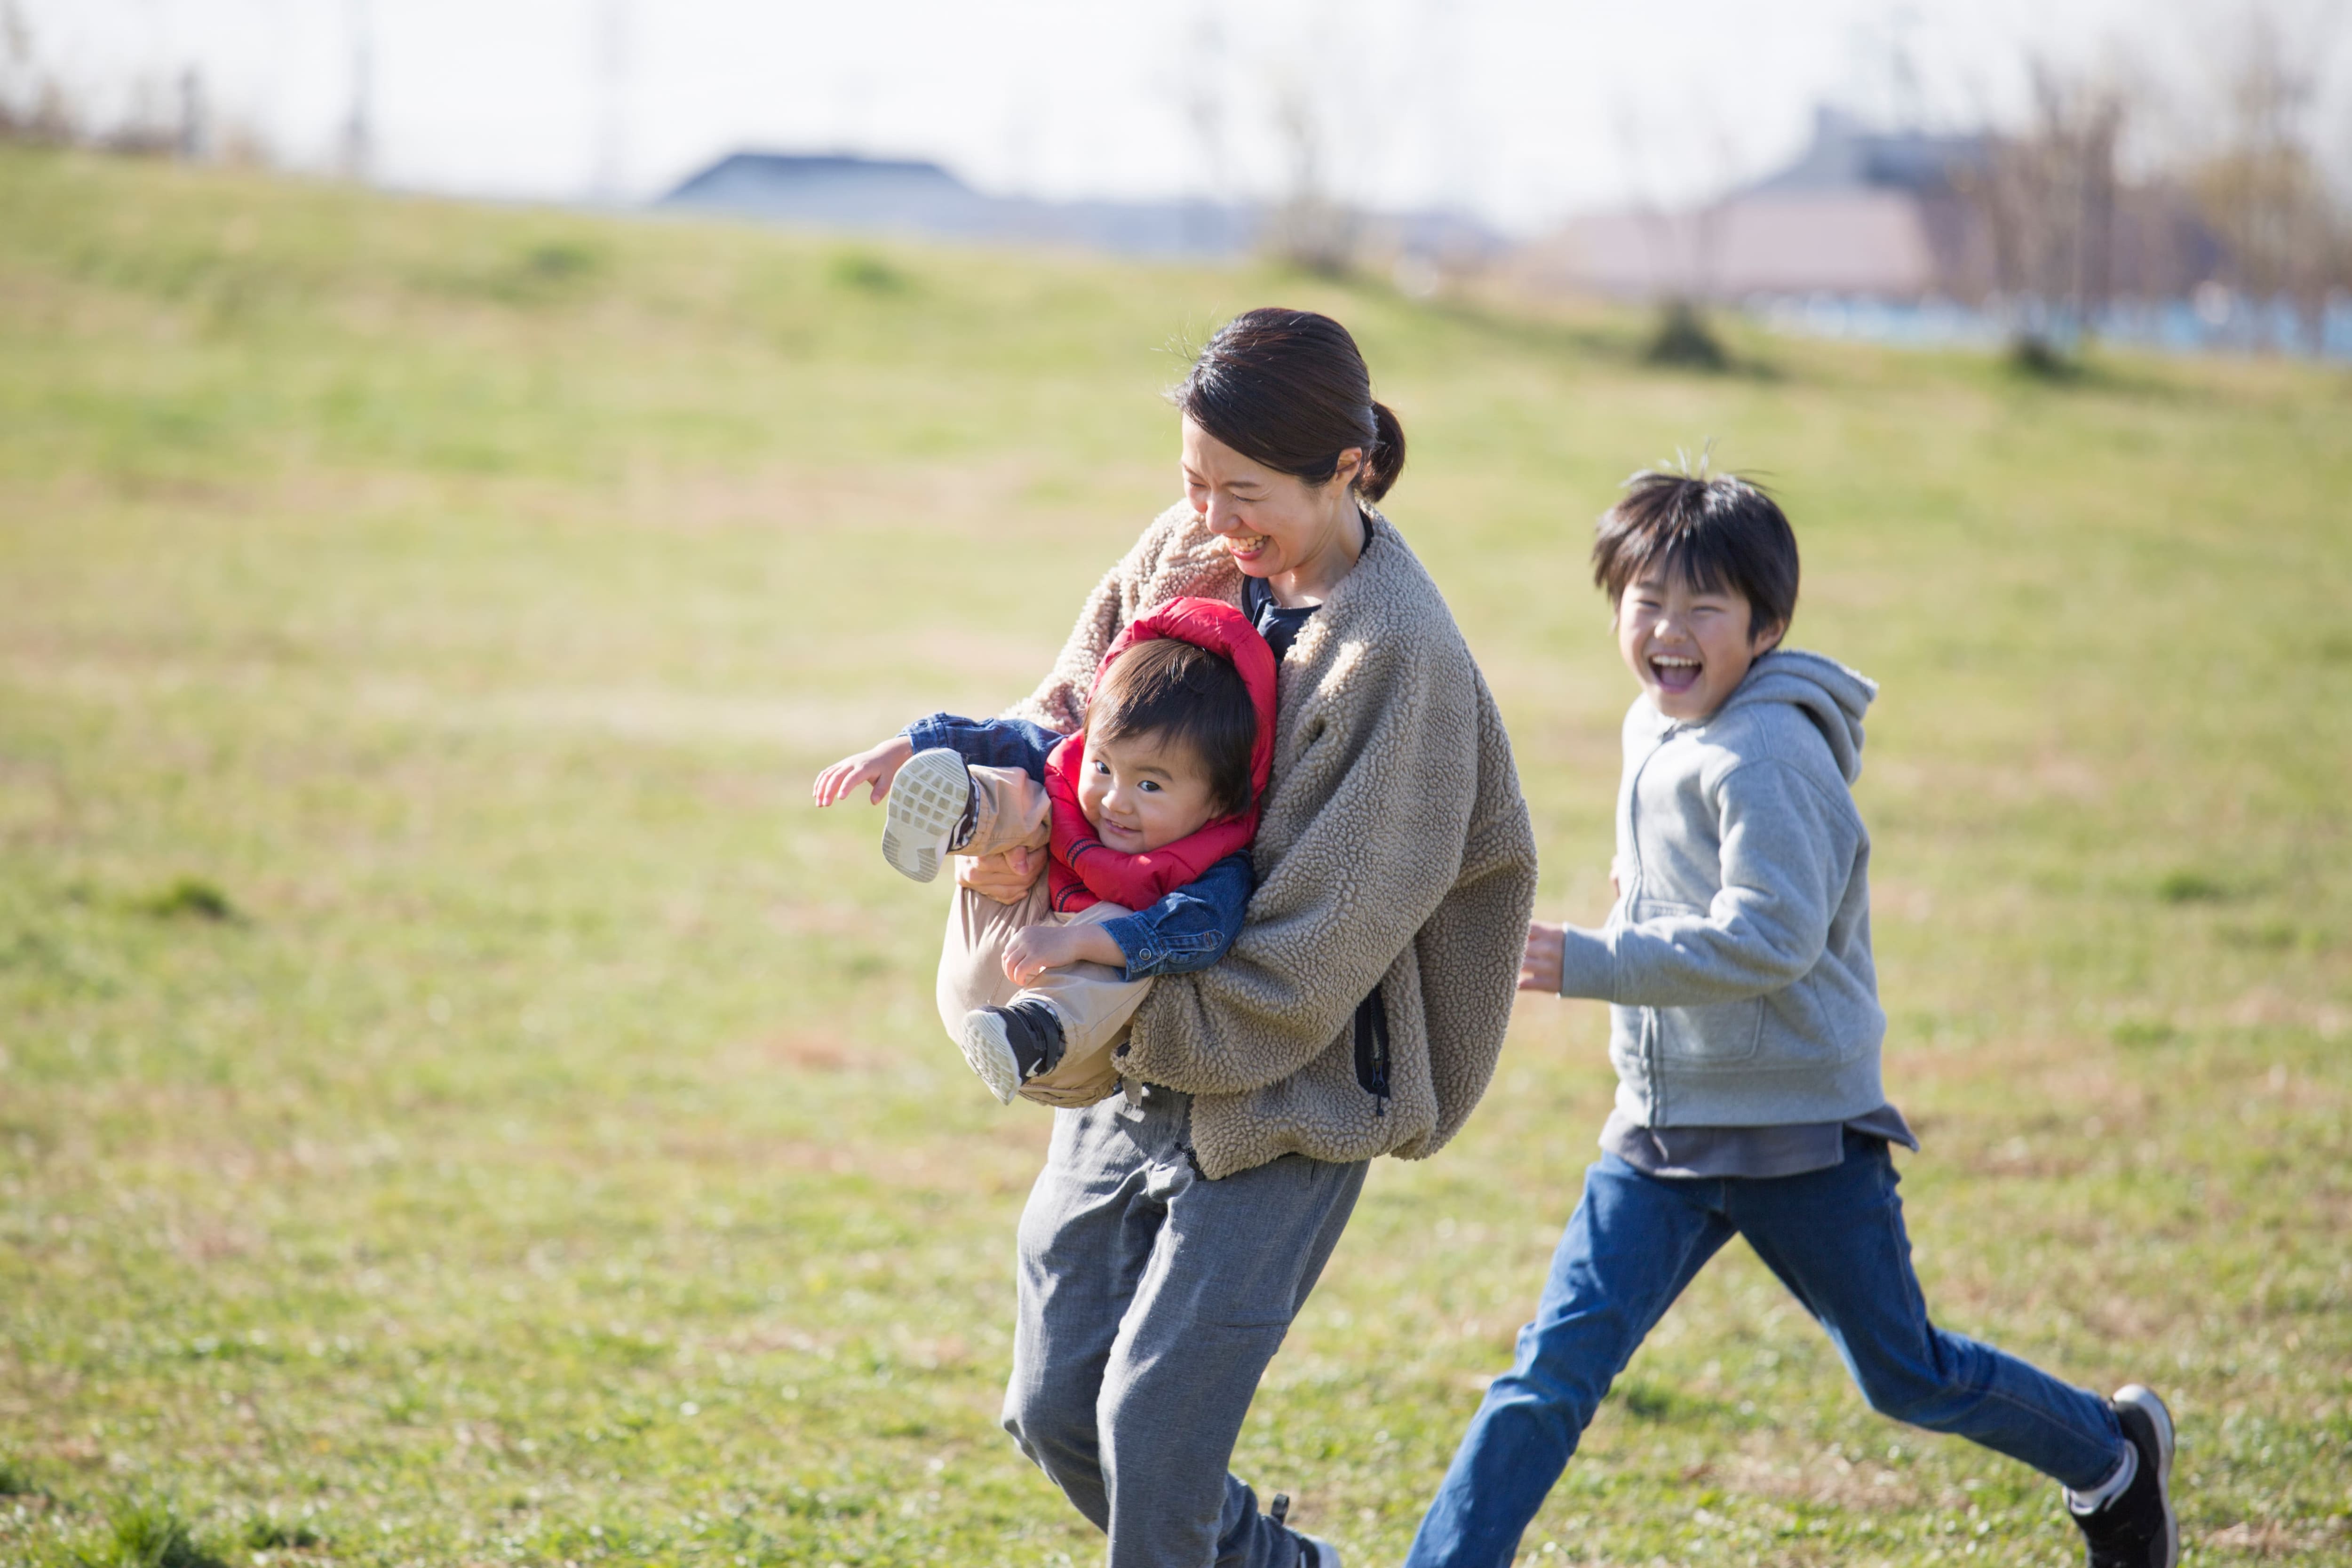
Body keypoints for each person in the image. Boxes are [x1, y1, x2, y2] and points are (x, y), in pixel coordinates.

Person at [1402, 468, 2178, 1568]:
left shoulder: (1770, 753)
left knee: (1906, 1373)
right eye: (1645, 599)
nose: (1667, 630)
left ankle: (2111, 1455)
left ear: (1765, 627)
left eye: (1702, 607)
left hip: (1800, 1136)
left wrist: (1590, 958)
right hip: (1661, 1138)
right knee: (1549, 1375)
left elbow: (1772, 937)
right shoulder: (1655, 723)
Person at [950, 307, 1538, 1568]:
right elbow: (1075, 706)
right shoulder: (1189, 546)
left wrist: (1098, 991)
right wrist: (973, 777)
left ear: (1349, 467)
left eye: (1245, 491)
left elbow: (1309, 964)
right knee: (1056, 1407)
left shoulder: (1400, 655)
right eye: (1193, 481)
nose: (1213, 517)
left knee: (1154, 1431)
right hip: (1131, 1039)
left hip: (1294, 1080)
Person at [811, 597, 1277, 1107]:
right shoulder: (1069, 764)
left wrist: (1081, 941)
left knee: (1132, 934)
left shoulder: (1219, 868)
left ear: (1217, 800)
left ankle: (1027, 1032)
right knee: (1034, 791)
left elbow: (1200, 935)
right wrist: (899, 749)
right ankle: (959, 817)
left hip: (1063, 1045)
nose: (1113, 800)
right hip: (990, 949)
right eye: (1103, 767)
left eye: (1149, 785)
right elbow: (995, 738)